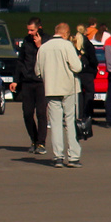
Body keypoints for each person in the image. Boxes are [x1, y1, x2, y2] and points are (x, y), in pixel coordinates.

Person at [36, 22, 83, 168]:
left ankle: (58, 156)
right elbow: (77, 67)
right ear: (66, 33)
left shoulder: (43, 47)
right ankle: (73, 156)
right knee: (70, 121)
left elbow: (37, 71)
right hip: (68, 88)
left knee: (55, 123)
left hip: (51, 88)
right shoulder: (67, 46)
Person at [11, 17, 48, 154]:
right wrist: (16, 80)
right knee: (27, 113)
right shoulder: (26, 41)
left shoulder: (47, 41)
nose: (30, 32)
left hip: (41, 82)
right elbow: (20, 61)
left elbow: (48, 60)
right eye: (28, 30)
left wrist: (40, 46)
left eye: (32, 30)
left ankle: (41, 143)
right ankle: (33, 139)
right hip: (27, 81)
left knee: (41, 113)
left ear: (39, 28)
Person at [73, 26, 97, 120]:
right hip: (88, 72)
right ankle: (88, 114)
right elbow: (93, 59)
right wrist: (94, 67)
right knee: (89, 93)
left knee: (79, 95)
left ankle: (80, 114)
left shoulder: (73, 43)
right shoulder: (88, 44)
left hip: (78, 72)